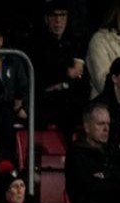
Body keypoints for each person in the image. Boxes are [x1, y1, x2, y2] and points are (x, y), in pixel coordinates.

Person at [30, 0, 90, 132]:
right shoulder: (37, 44)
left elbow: (81, 77)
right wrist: (66, 74)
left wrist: (63, 82)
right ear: (47, 19)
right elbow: (42, 75)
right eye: (54, 15)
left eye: (62, 15)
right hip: (46, 101)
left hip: (71, 99)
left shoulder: (73, 43)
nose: (58, 20)